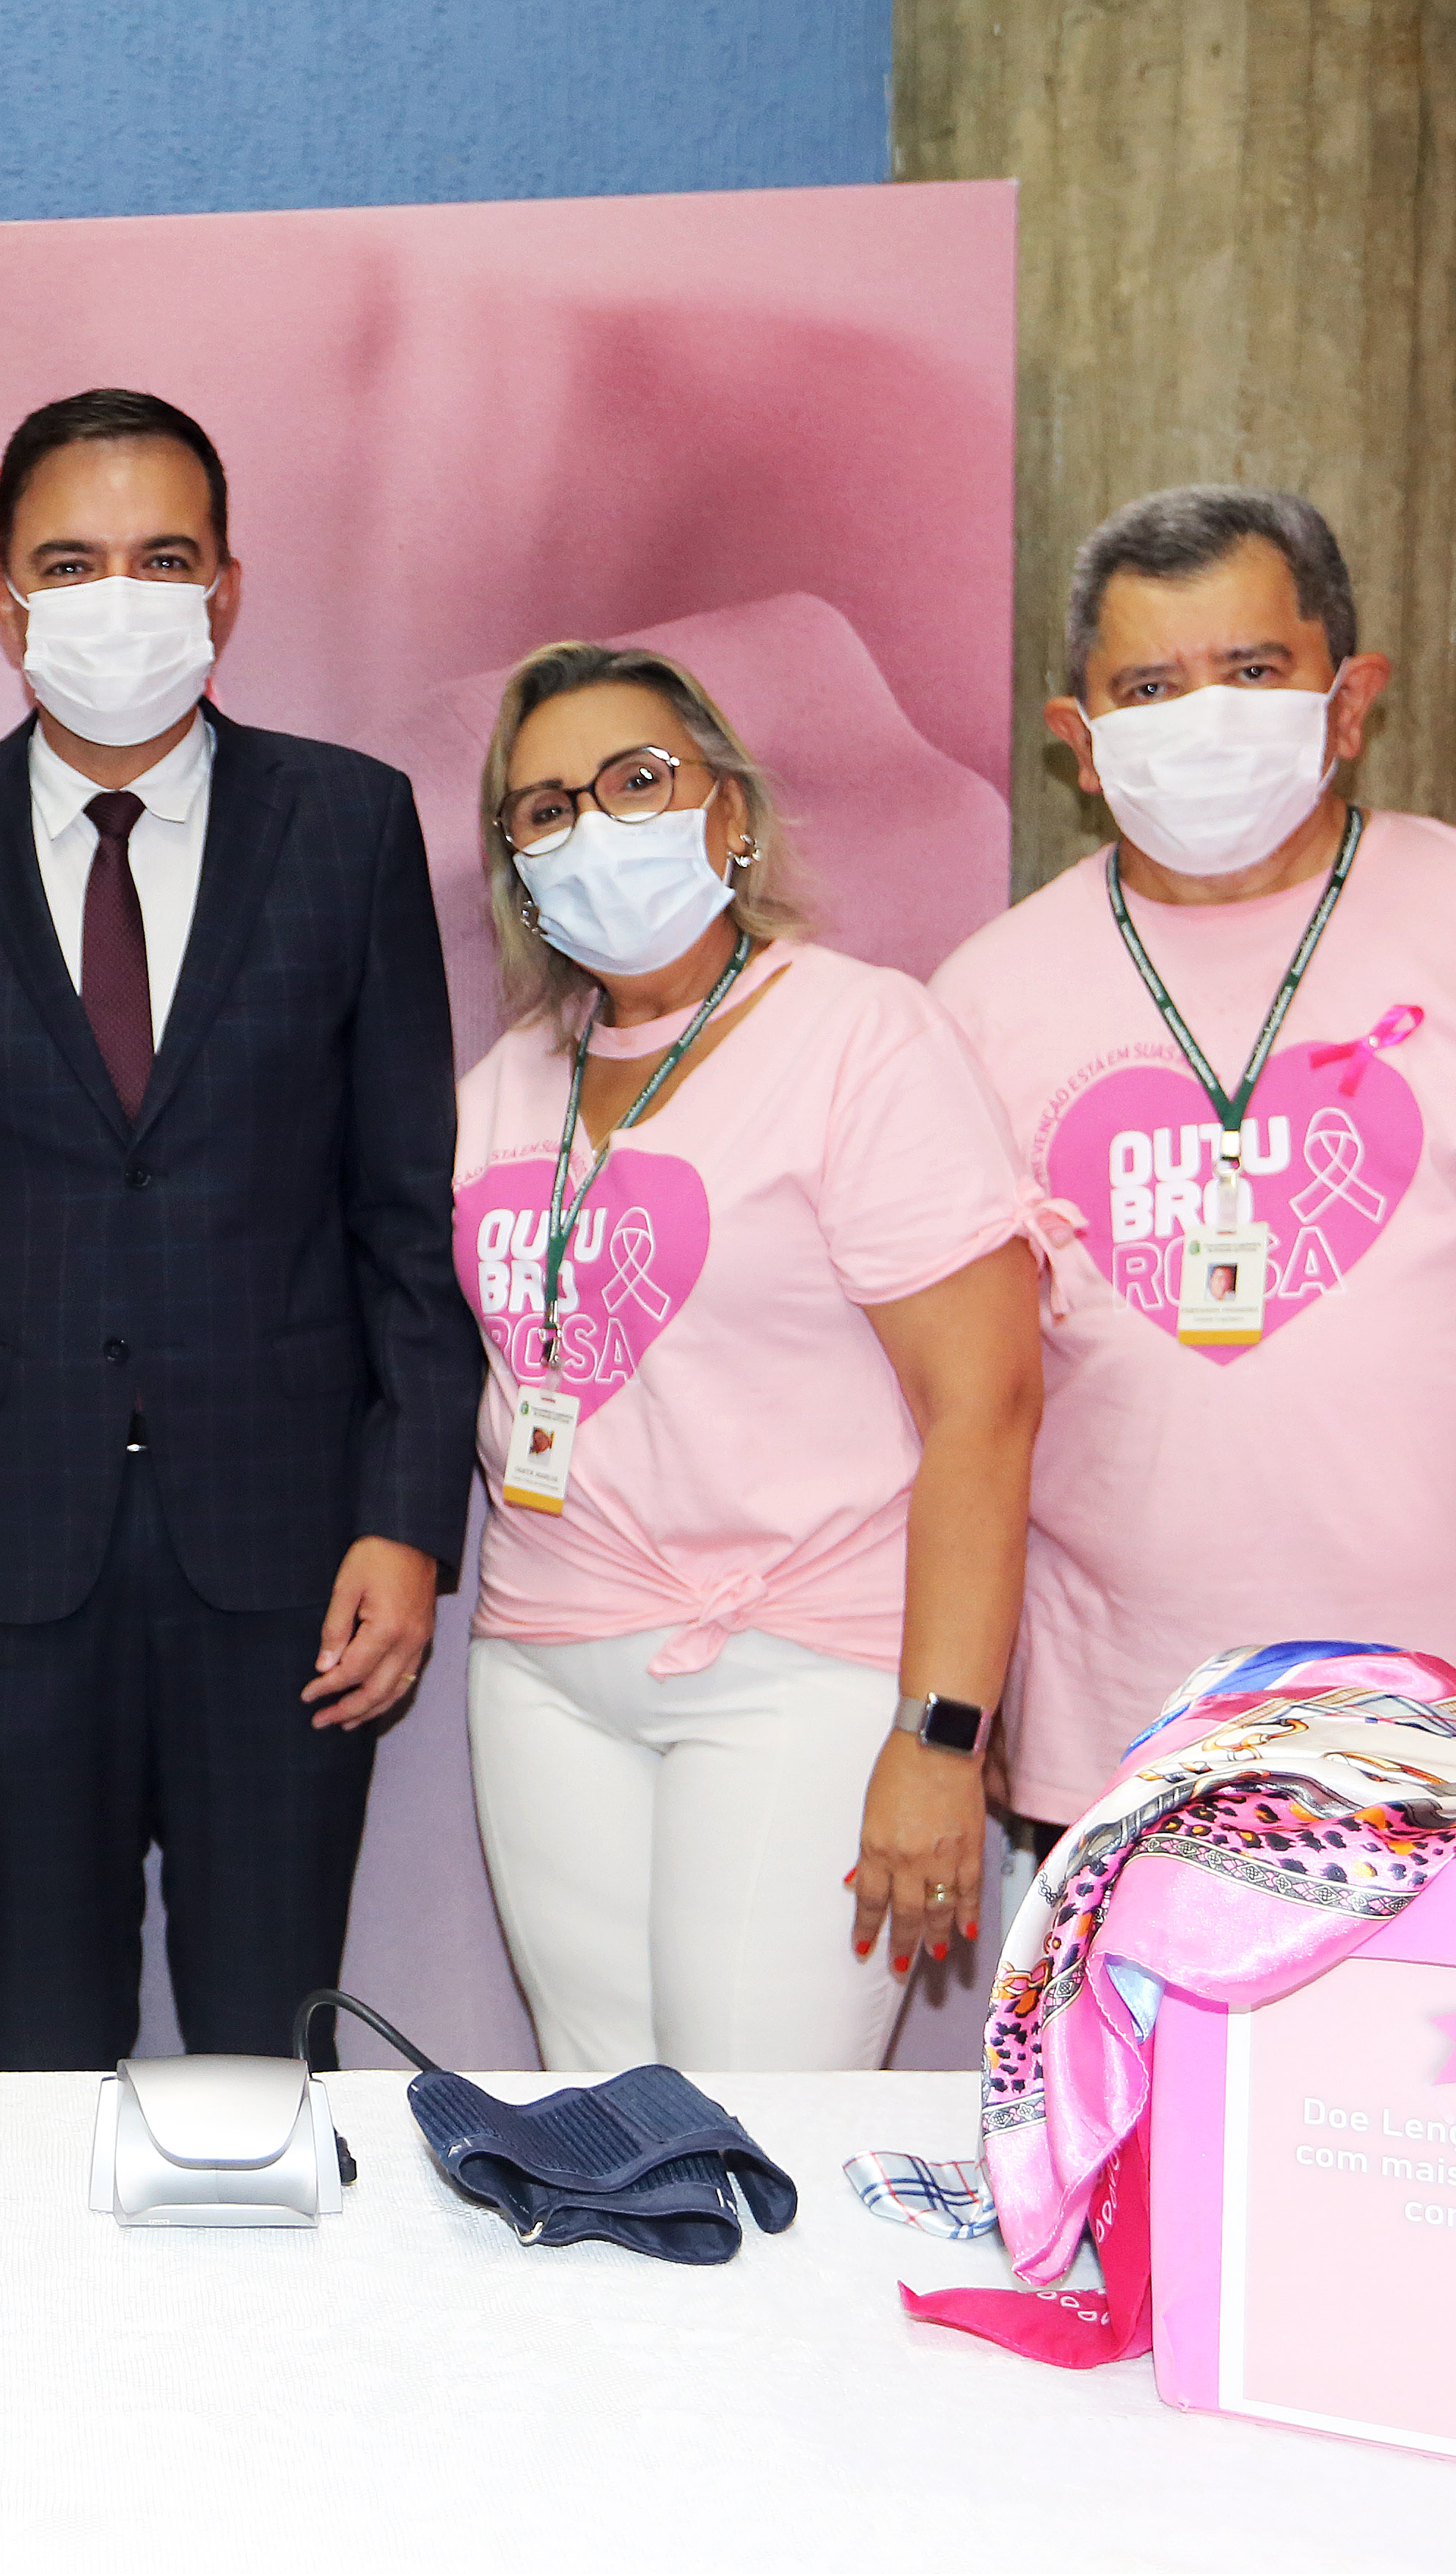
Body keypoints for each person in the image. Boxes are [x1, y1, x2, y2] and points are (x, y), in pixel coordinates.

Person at [0, 390, 475, 2067]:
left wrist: (407, 1520)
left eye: (163, 559)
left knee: (270, 2047)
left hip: (292, 1562)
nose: (120, 599)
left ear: (226, 588)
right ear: (4, 598)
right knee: (42, 2047)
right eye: (72, 562)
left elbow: (404, 1216)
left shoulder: (350, 824)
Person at [930, 488, 1456, 1833]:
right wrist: (970, 1701)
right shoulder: (978, 999)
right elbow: (965, 1394)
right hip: (1123, 1727)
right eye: (1149, 687)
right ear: (1080, 742)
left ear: (1348, 703)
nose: (1202, 718)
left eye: (1252, 671)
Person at [456, 644, 1039, 2069]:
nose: (594, 827)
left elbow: (987, 1407)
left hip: (804, 1666)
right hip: (544, 1665)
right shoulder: (505, 1080)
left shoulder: (862, 1038)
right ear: (517, 867)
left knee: (754, 2123)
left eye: (636, 781)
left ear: (729, 810)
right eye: (546, 810)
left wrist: (942, 1737)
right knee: (598, 2123)